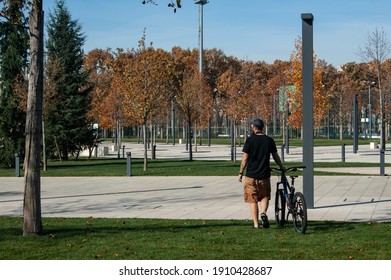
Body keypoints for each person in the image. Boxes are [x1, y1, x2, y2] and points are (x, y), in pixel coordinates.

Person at [238, 118, 285, 229]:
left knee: (252, 199)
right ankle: (263, 212)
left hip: (251, 175)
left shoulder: (249, 140)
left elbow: (245, 158)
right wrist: (281, 166)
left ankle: (256, 224)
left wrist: (240, 172)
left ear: (254, 128)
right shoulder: (269, 140)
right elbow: (275, 156)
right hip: (264, 174)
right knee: (265, 196)